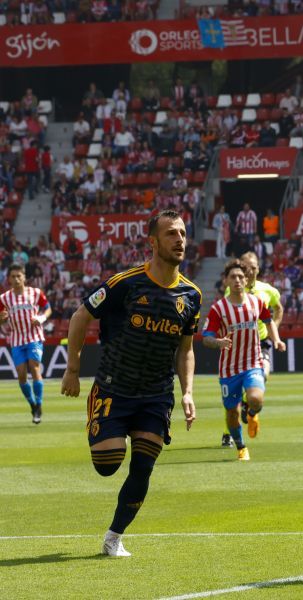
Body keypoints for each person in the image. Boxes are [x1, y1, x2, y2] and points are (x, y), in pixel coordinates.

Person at [60, 210, 202, 557]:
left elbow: (186, 349)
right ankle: (110, 427)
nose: (179, 240)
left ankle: (114, 537)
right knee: (108, 463)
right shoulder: (124, 283)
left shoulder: (191, 295)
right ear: (153, 242)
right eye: (171, 234)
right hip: (114, 387)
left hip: (156, 394)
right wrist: (73, 369)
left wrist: (187, 392)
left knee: (143, 466)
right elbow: (80, 316)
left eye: (183, 233)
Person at [203, 260, 285, 460]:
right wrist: (218, 342)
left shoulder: (256, 303)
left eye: (241, 276)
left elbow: (268, 321)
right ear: (226, 281)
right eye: (233, 277)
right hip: (229, 369)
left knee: (256, 398)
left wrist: (276, 339)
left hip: (252, 363)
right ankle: (241, 447)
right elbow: (206, 337)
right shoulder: (218, 309)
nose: (238, 280)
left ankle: (252, 413)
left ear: (246, 280)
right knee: (232, 413)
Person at [0, 264, 52, 423]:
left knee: (34, 367)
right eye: (13, 276)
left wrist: (41, 318)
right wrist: (2, 319)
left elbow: (48, 308)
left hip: (34, 336)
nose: (16, 279)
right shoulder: (4, 298)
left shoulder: (35, 293)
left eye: (19, 276)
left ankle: (39, 405)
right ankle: (33, 405)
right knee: (21, 375)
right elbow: (1, 318)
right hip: (16, 339)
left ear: (24, 277)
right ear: (9, 279)